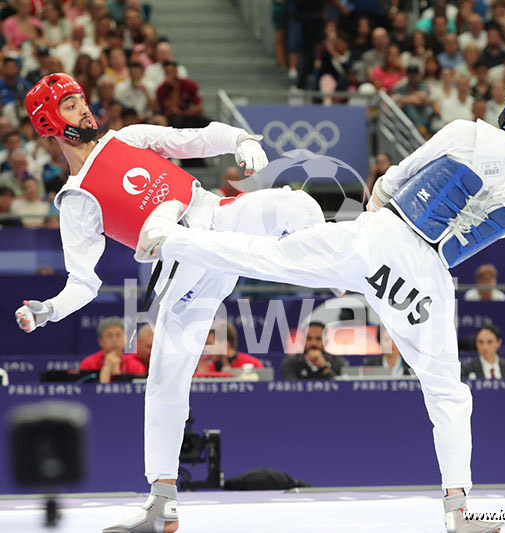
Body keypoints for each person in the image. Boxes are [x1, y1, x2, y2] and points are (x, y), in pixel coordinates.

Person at [139, 64, 505, 533]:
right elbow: (474, 235)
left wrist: (363, 250)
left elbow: (391, 182)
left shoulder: (467, 132)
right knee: (448, 390)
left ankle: (171, 240)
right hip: (426, 278)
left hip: (383, 236)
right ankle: (458, 511)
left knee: (266, 256)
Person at [14, 72, 326, 533]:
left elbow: (194, 138)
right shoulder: (76, 200)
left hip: (219, 220)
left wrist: (240, 140)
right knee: (164, 381)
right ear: (48, 123)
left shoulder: (128, 139)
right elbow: (83, 283)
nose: (84, 108)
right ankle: (162, 504)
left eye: (81, 99)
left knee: (295, 205)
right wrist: (49, 309)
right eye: (70, 105)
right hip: (186, 270)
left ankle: (342, 272)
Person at [80, 316, 144, 383]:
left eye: (118, 335)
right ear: (100, 341)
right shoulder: (88, 364)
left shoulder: (135, 365)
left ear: (126, 338)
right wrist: (107, 368)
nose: (115, 340)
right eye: (109, 336)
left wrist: (118, 376)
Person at [281, 321, 345, 380]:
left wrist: (324, 368)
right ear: (303, 341)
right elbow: (290, 386)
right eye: (308, 338)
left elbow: (343, 386)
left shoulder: (338, 362)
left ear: (326, 341)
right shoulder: (291, 362)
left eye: (318, 339)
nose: (313, 343)